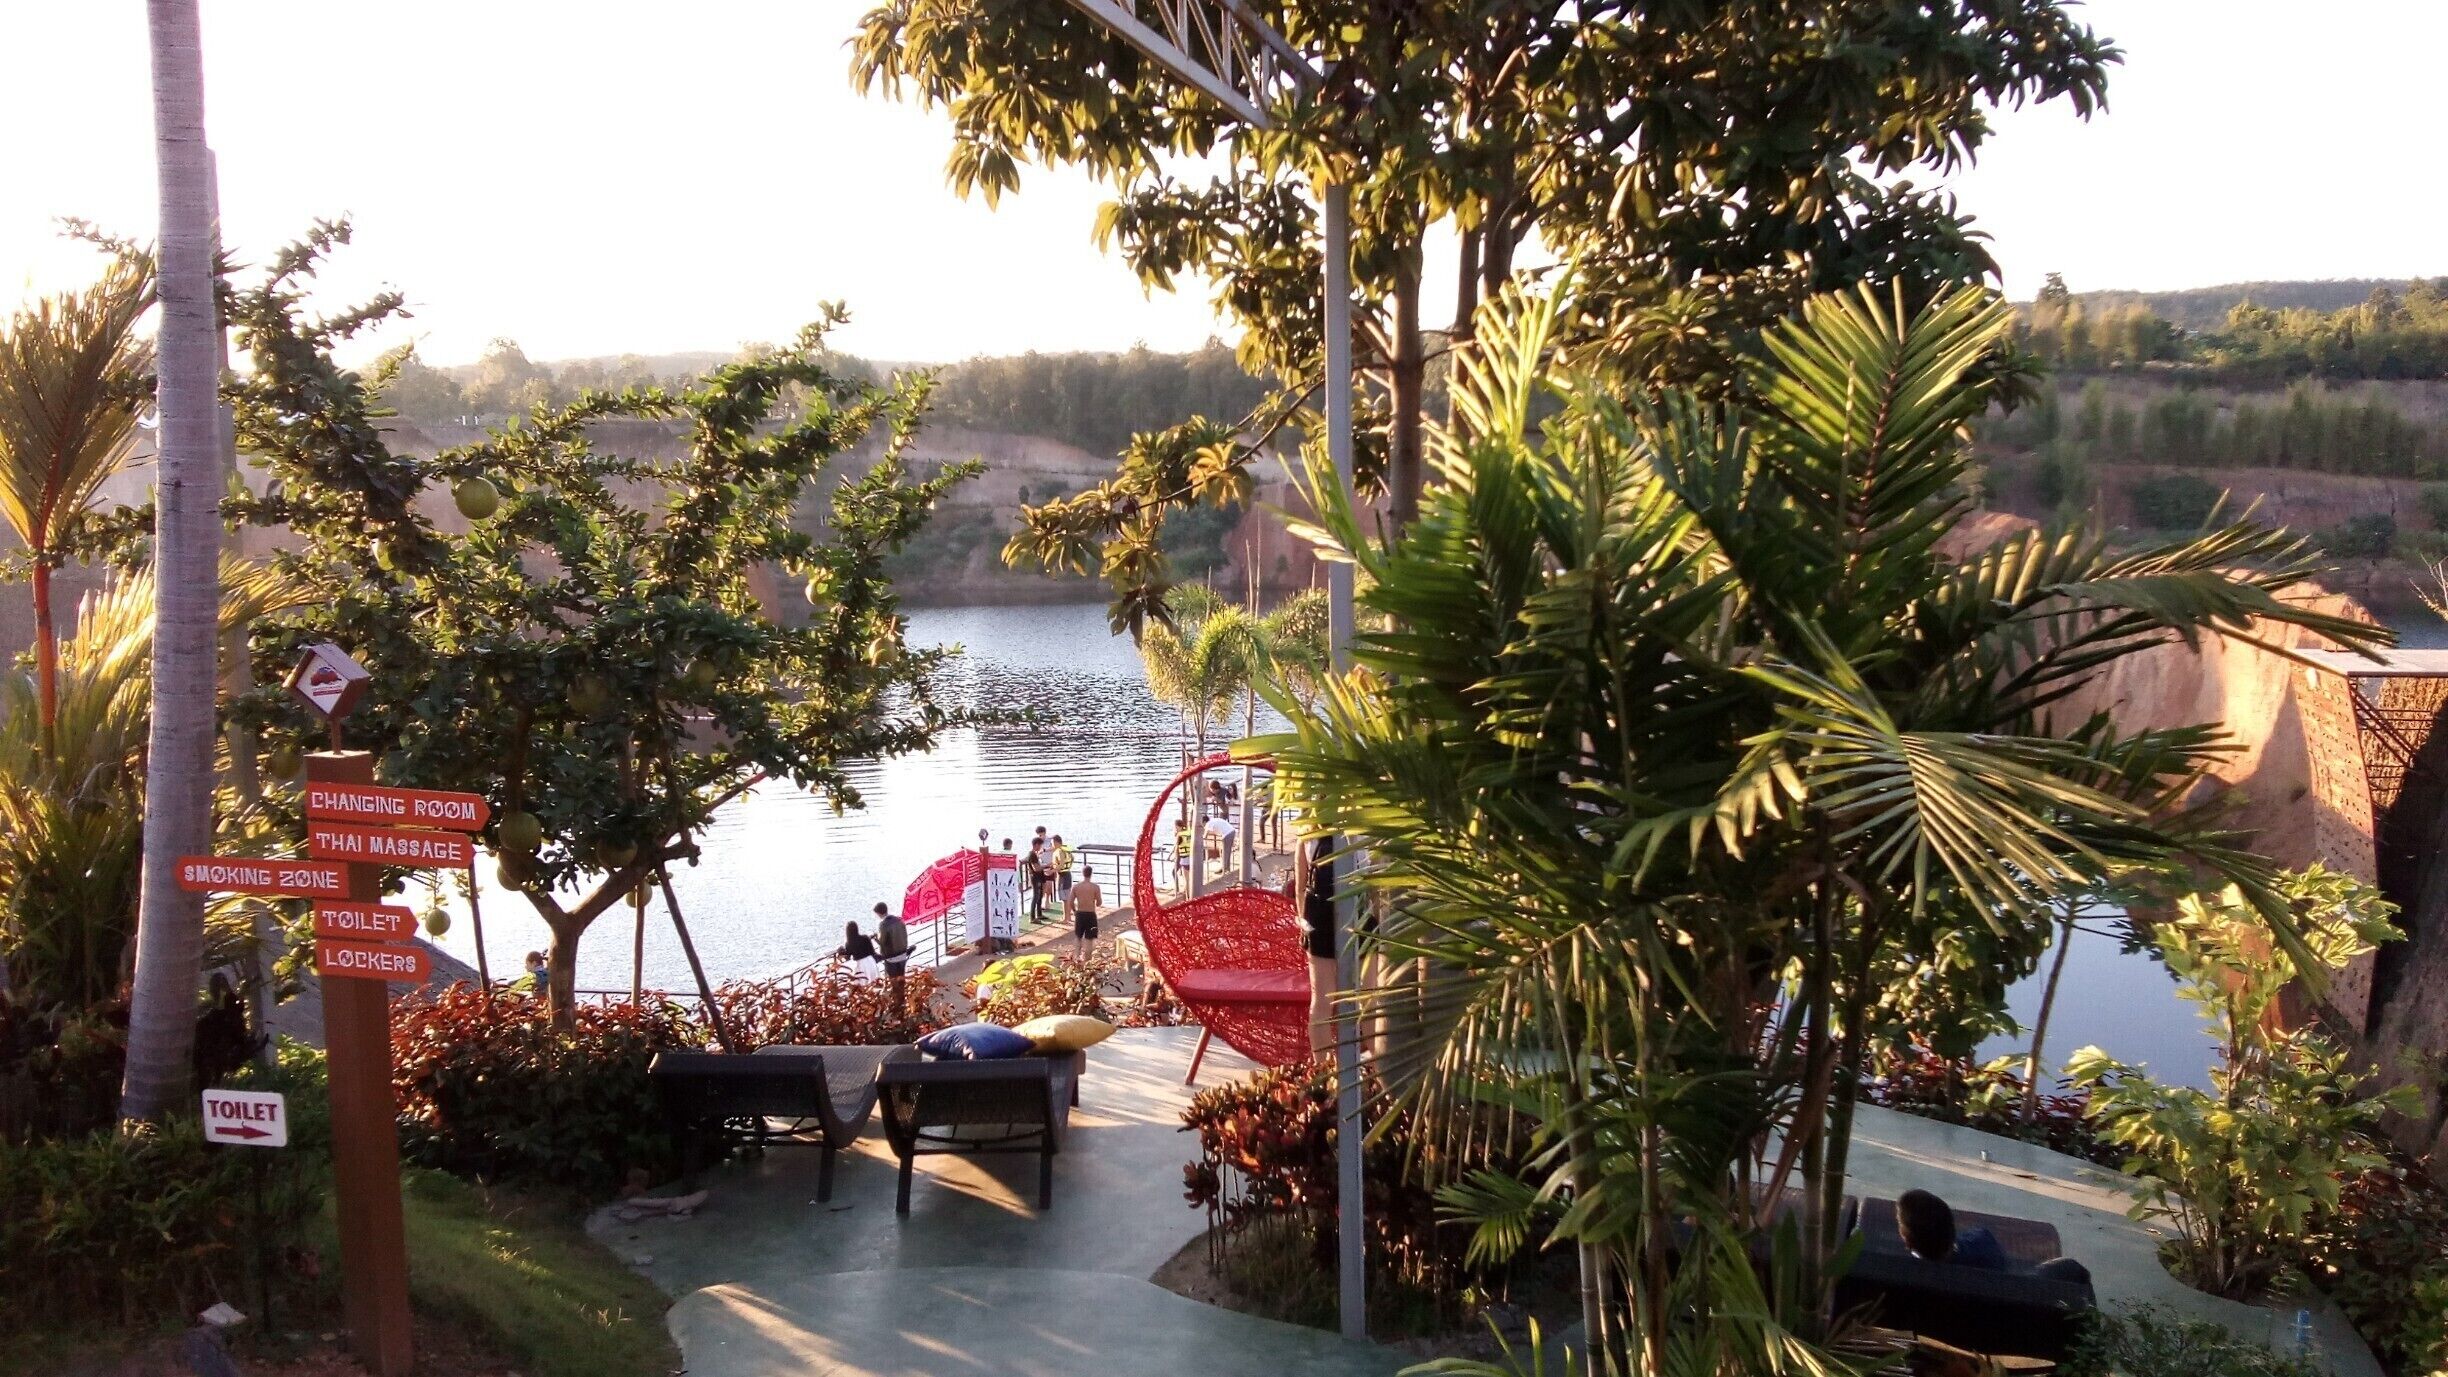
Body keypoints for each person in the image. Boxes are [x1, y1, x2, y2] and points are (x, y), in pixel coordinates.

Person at [1297, 834, 1338, 1056]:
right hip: (1358, 919)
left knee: (1321, 1004)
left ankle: (1323, 1073)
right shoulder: (1361, 825)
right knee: (1367, 1004)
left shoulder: (1308, 832)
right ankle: (1378, 1077)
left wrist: (1303, 928)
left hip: (1319, 920)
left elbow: (1301, 886)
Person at [873, 901, 911, 1020]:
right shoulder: (899, 920)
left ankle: (897, 1007)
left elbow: (883, 942)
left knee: (894, 982)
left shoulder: (883, 925)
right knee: (901, 980)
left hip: (891, 958)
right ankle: (903, 1002)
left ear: (878, 913)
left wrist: (875, 938)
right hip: (903, 954)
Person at [1069, 863, 1103, 956]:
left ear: (1082, 873)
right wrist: (1094, 901)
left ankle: (1076, 957)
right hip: (1091, 914)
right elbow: (1099, 903)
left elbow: (1070, 902)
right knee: (1089, 939)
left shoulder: (1076, 887)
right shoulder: (1095, 887)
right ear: (1091, 874)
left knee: (1078, 937)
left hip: (1080, 913)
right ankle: (1087, 959)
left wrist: (1074, 911)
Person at [1025, 837, 1048, 923]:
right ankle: (1032, 917)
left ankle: (1039, 914)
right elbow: (1036, 868)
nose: (1040, 847)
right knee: (1035, 896)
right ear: (1036, 845)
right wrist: (1045, 866)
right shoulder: (1032, 854)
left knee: (1039, 895)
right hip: (1035, 878)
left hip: (1038, 877)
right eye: (1040, 845)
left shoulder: (1034, 854)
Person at [1051, 834, 1075, 908]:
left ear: (1056, 842)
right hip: (1067, 874)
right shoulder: (1066, 849)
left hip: (1063, 875)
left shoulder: (1060, 851)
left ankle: (1066, 917)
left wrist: (1052, 871)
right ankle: (1069, 915)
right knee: (1067, 896)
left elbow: (1061, 864)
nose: (1052, 845)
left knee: (1065, 898)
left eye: (1052, 843)